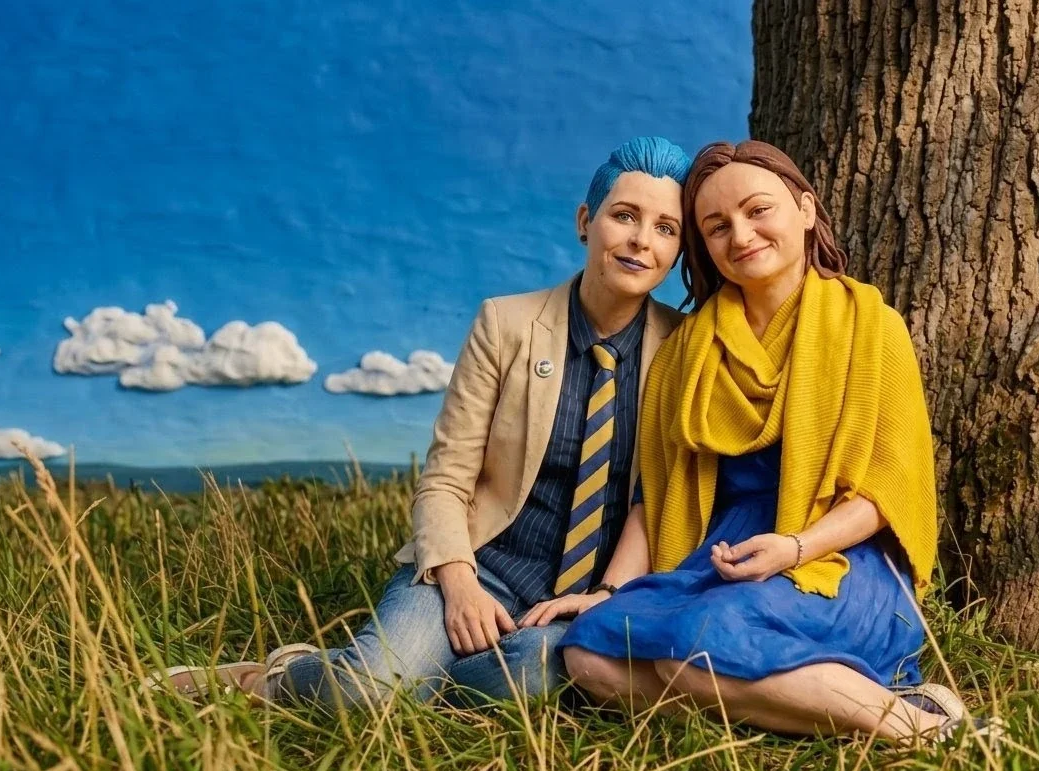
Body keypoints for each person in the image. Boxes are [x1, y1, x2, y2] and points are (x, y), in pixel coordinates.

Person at [148, 136, 690, 707]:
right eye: (624, 216)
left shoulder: (682, 350)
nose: (640, 241)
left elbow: (655, 500)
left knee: (536, 670)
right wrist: (459, 585)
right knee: (368, 689)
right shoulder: (506, 324)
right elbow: (446, 477)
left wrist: (608, 593)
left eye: (665, 228)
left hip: (584, 596)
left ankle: (419, 683)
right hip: (479, 564)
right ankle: (277, 678)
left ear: (679, 249)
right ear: (587, 221)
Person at [550, 140, 989, 745]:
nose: (742, 234)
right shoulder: (686, 351)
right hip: (723, 559)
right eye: (717, 226)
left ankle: (923, 732)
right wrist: (606, 592)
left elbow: (889, 492)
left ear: (805, 209)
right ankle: (834, 700)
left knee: (693, 657)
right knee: (588, 658)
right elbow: (658, 500)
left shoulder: (871, 326)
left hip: (838, 558)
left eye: (759, 210)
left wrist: (794, 547)